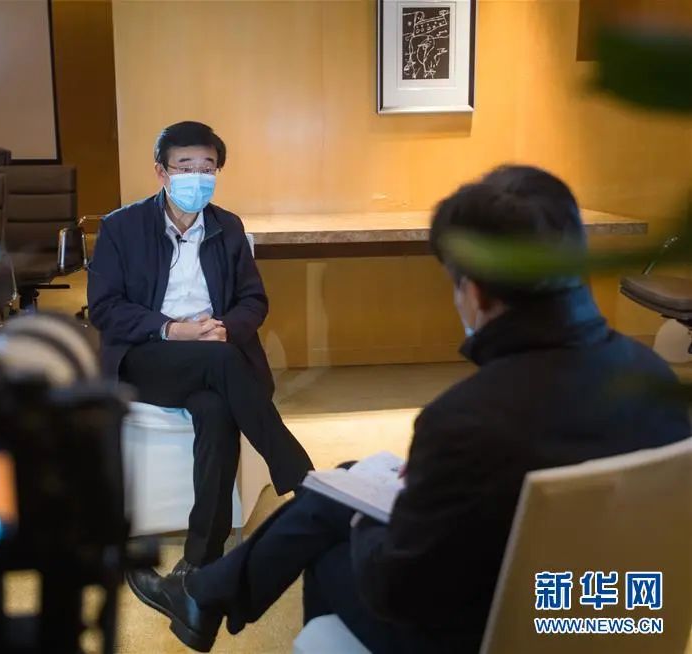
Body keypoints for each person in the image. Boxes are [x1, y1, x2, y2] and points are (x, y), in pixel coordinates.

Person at [125, 165, 691, 653]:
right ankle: (205, 595)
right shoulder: (653, 376)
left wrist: (367, 521)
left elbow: (396, 588)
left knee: (332, 529)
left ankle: (205, 596)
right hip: (603, 612)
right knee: (341, 485)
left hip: (490, 629)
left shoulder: (466, 419)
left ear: (475, 291)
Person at [87, 121, 314, 574]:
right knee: (223, 362)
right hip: (146, 357)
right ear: (162, 172)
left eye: (207, 167)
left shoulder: (227, 227)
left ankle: (201, 560)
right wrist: (172, 330)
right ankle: (301, 477)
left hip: (214, 353)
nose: (197, 176)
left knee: (215, 409)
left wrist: (224, 329)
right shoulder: (121, 227)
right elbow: (105, 308)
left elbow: (253, 300)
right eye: (185, 166)